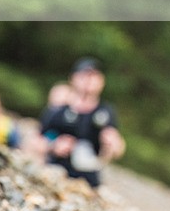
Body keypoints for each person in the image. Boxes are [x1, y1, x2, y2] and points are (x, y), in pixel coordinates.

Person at [41, 57, 126, 188]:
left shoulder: (105, 112)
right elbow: (39, 139)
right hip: (56, 175)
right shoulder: (60, 109)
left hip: (89, 180)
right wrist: (54, 144)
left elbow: (118, 147)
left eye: (94, 76)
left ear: (101, 81)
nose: (89, 81)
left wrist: (113, 144)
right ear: (73, 78)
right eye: (84, 76)